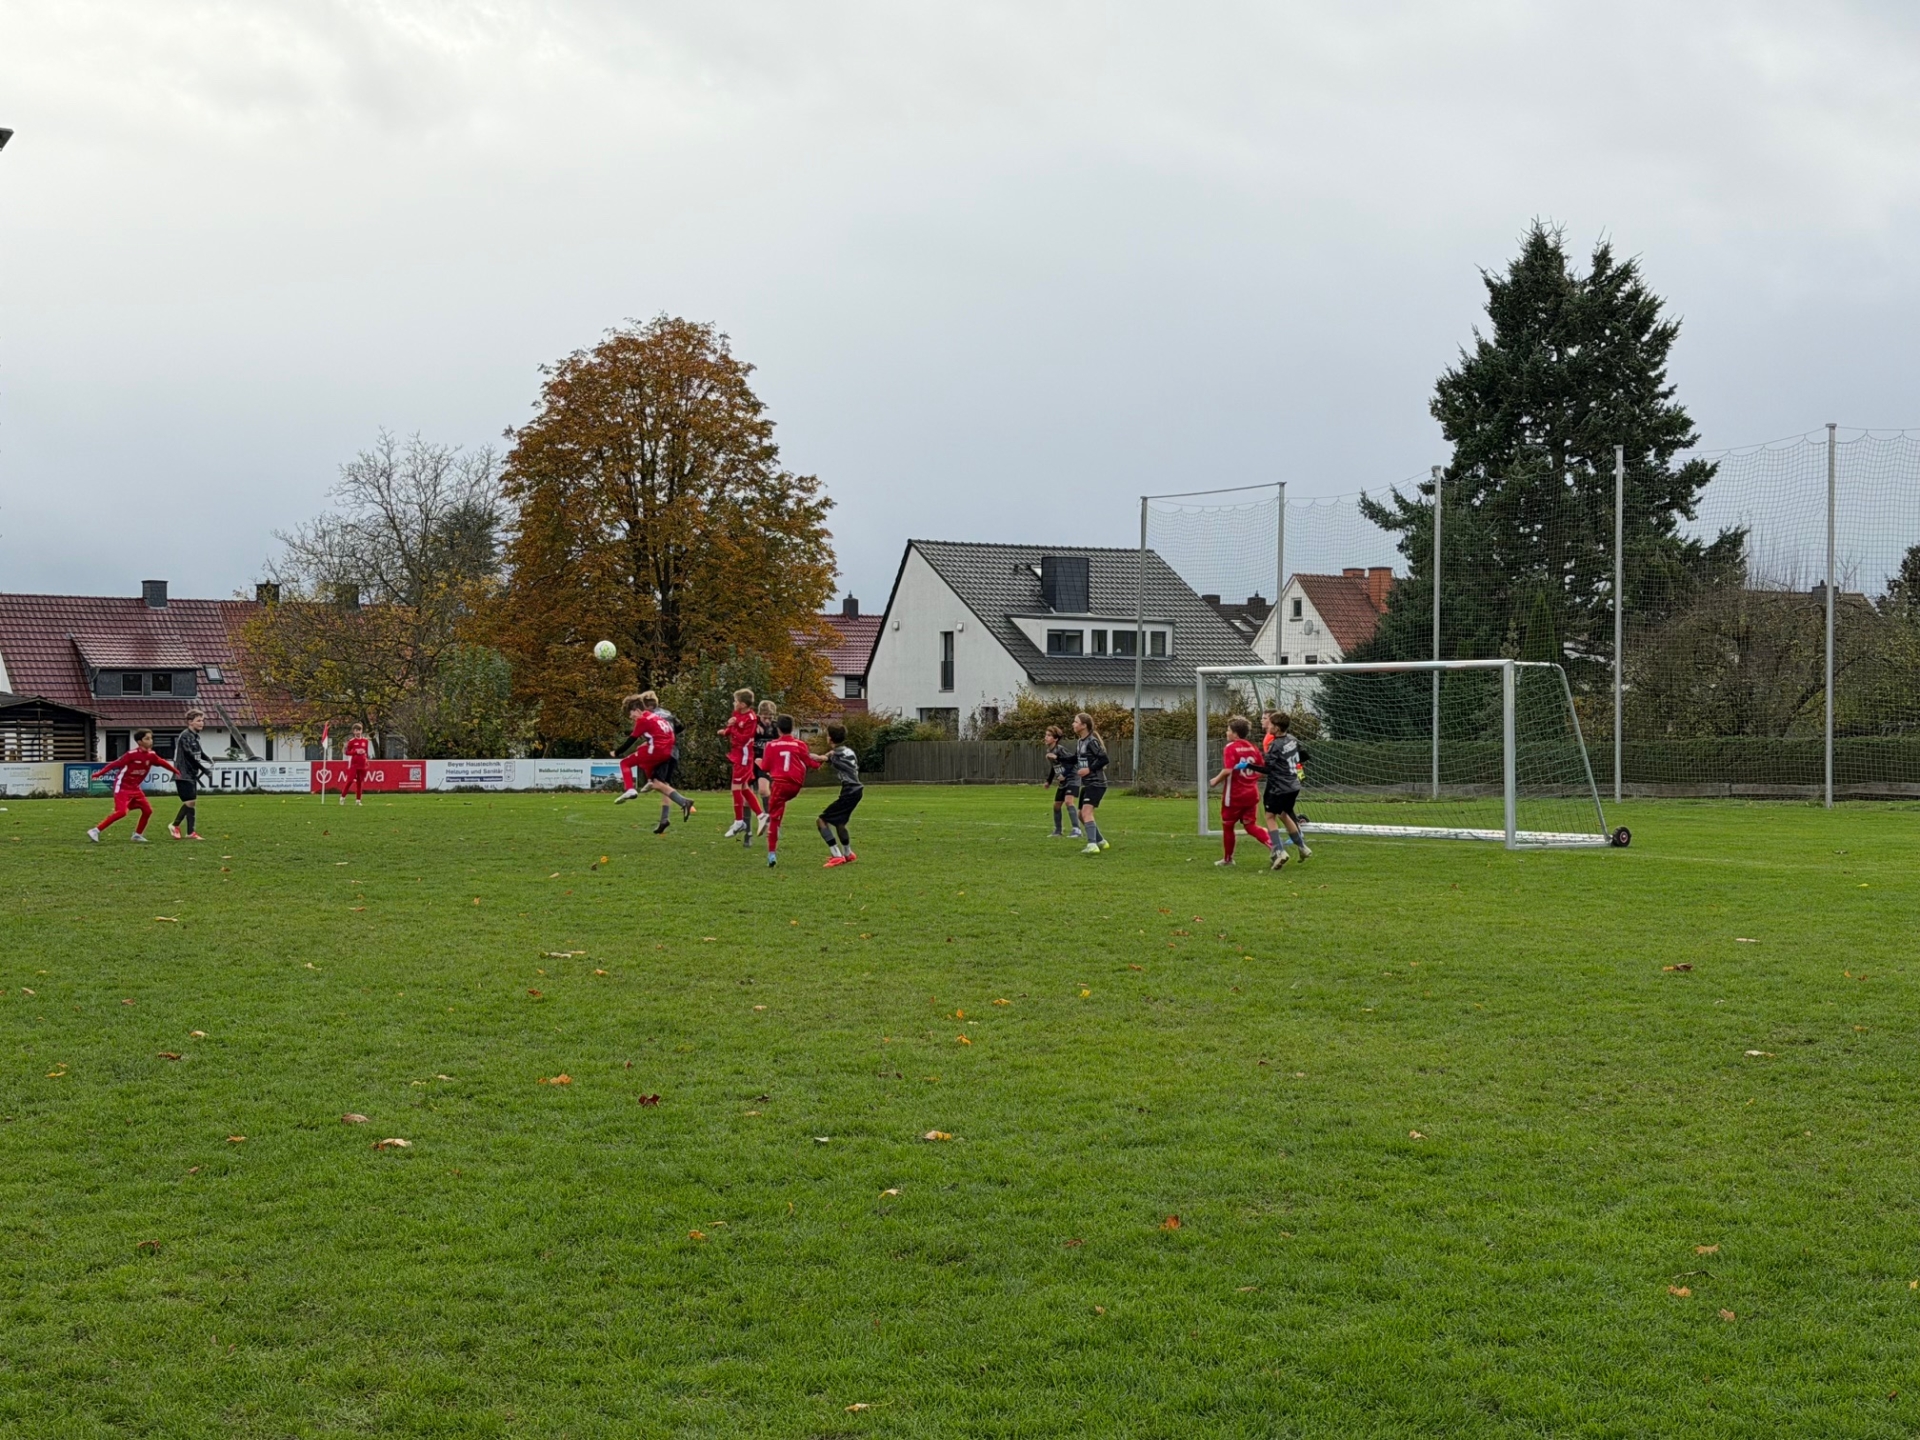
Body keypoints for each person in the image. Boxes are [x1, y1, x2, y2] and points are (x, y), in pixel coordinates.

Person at [613, 692, 696, 832]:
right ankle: (664, 819)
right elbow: (680, 726)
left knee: (658, 783)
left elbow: (637, 737)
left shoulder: (649, 716)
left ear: (646, 706)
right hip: (672, 750)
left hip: (660, 750)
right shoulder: (666, 713)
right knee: (664, 785)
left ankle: (681, 801)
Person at [88, 730, 180, 843]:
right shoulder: (131, 754)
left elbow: (162, 762)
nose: (150, 741)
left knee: (147, 811)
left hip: (135, 788)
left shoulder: (151, 755)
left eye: (151, 738)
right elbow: (114, 764)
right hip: (122, 786)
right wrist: (99, 774)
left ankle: (137, 835)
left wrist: (176, 771)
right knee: (121, 812)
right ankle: (95, 831)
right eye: (147, 738)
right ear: (139, 742)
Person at [1208, 715, 1273, 866]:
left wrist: (1215, 780)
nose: (1226, 733)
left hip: (1234, 795)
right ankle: (1275, 846)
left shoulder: (1230, 747)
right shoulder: (1252, 747)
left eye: (1228, 730)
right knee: (1250, 826)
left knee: (1228, 825)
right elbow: (1262, 768)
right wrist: (1251, 778)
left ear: (1235, 733)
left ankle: (1228, 859)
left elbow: (1228, 770)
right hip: (1251, 794)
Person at [760, 714, 821, 868]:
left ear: (778, 729)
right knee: (780, 804)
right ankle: (778, 825)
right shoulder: (799, 744)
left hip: (779, 785)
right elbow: (811, 763)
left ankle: (771, 854)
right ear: (792, 728)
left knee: (773, 817)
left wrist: (758, 762)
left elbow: (765, 767)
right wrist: (821, 761)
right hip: (795, 786)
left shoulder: (771, 745)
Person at [1256, 711, 1310, 870]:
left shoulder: (1274, 743)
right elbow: (1304, 755)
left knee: (1269, 816)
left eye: (1270, 723)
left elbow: (1268, 768)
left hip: (1278, 786)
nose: (1268, 725)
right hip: (1293, 785)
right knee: (1284, 814)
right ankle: (1302, 847)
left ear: (1277, 727)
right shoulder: (1292, 739)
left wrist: (1248, 766)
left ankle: (1280, 851)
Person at [815, 722, 863, 866]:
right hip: (857, 790)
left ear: (829, 738)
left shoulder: (836, 754)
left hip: (849, 791)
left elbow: (821, 758)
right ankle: (848, 853)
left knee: (821, 821)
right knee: (840, 822)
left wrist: (802, 754)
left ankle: (836, 855)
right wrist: (827, 755)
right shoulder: (847, 751)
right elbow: (830, 755)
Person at [719, 689, 765, 838]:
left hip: (744, 756)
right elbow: (733, 728)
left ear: (743, 704)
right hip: (737, 754)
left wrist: (732, 728)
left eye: (736, 701)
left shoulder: (751, 718)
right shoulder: (737, 713)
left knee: (736, 787)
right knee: (744, 787)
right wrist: (725, 731)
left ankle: (739, 821)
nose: (734, 703)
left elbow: (744, 738)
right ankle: (761, 815)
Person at [168, 709, 217, 839]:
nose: (202, 723)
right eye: (198, 720)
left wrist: (208, 759)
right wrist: (204, 769)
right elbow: (189, 755)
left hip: (191, 773)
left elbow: (198, 752)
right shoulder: (185, 736)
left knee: (191, 802)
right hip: (183, 773)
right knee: (190, 802)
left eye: (202, 720)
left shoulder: (195, 736)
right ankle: (176, 826)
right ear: (190, 722)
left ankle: (189, 832)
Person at [1071, 711, 1110, 855]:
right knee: (1081, 815)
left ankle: (1092, 845)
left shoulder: (1091, 741)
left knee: (1086, 812)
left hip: (1097, 783)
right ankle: (1101, 841)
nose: (1073, 724)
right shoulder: (1080, 742)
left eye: (1076, 722)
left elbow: (1104, 759)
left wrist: (1088, 769)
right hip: (1088, 784)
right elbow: (1077, 759)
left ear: (1083, 725)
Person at [1044, 724, 1082, 838]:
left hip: (1072, 778)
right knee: (1056, 805)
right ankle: (1058, 831)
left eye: (1049, 735)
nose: (1046, 737)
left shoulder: (1060, 750)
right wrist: (1049, 781)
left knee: (1069, 802)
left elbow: (1071, 763)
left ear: (1055, 739)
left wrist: (1064, 775)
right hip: (1063, 780)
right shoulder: (1049, 751)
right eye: (1046, 735)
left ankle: (1077, 830)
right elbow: (1054, 767)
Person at [751, 700, 780, 837]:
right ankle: (746, 830)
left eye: (770, 717)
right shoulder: (752, 724)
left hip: (765, 763)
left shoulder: (775, 728)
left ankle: (770, 820)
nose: (767, 721)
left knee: (763, 789)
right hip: (751, 762)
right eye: (764, 717)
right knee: (746, 798)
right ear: (759, 715)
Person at [341, 722, 372, 806]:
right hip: (354, 764)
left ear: (362, 731)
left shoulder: (365, 741)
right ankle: (342, 797)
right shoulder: (351, 742)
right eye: (356, 730)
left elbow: (366, 752)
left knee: (360, 782)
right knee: (350, 780)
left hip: (362, 765)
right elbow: (346, 752)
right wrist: (355, 752)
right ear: (353, 731)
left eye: (359, 730)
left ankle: (358, 800)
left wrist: (366, 760)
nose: (358, 732)